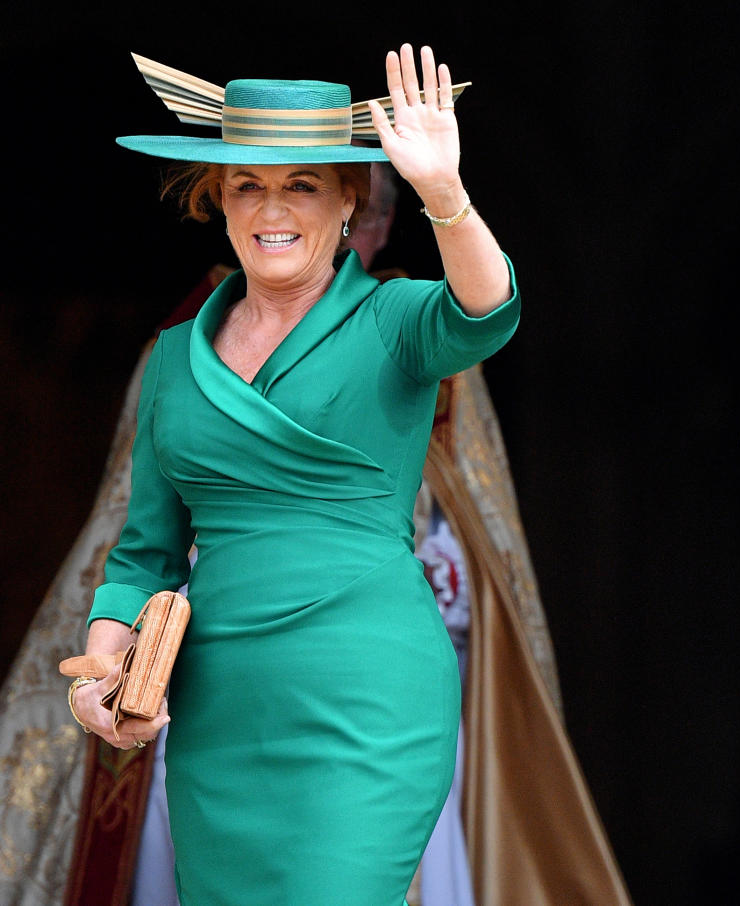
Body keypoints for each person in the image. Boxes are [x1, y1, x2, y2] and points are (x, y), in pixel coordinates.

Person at [64, 44, 518, 905]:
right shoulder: (173, 359)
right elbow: (144, 554)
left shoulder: (393, 318)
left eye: (302, 184)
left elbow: (486, 310)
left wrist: (445, 195)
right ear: (219, 203)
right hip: (221, 715)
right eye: (247, 186)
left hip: (367, 702)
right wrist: (100, 674)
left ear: (351, 201)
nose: (272, 208)